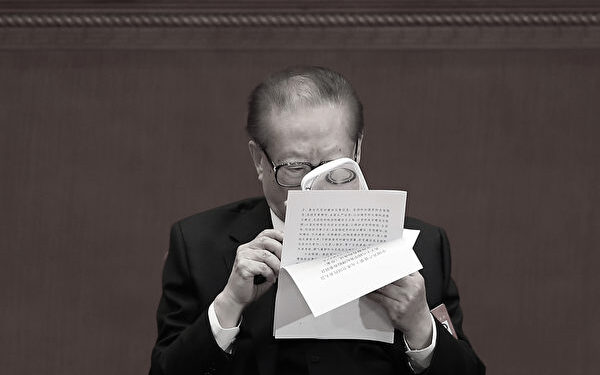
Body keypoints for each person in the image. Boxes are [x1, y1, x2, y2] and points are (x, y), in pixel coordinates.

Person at [149, 66, 485, 375]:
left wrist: (421, 329)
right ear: (259, 161)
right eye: (295, 169)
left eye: (334, 167)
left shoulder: (423, 246)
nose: (316, 188)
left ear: (357, 151)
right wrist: (229, 305)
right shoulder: (198, 245)